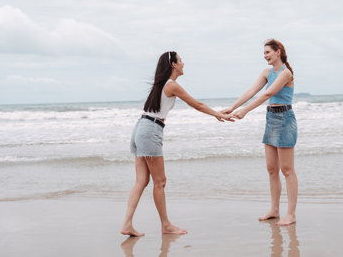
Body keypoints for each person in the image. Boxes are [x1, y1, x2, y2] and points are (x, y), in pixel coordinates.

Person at [121, 51, 233, 237]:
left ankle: (127, 224)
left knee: (142, 180)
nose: (183, 63)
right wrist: (219, 115)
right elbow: (197, 104)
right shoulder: (172, 85)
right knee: (160, 181)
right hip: (150, 131)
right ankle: (165, 225)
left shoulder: (161, 85)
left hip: (141, 128)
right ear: (173, 64)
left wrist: (217, 114)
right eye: (180, 60)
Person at [223, 39, 298, 226]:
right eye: (264, 53)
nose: (264, 56)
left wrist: (245, 111)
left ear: (278, 51)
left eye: (267, 52)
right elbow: (251, 91)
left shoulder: (286, 73)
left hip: (285, 119)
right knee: (271, 168)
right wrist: (233, 107)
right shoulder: (266, 72)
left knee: (287, 170)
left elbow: (267, 94)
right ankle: (274, 210)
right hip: (271, 119)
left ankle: (291, 214)